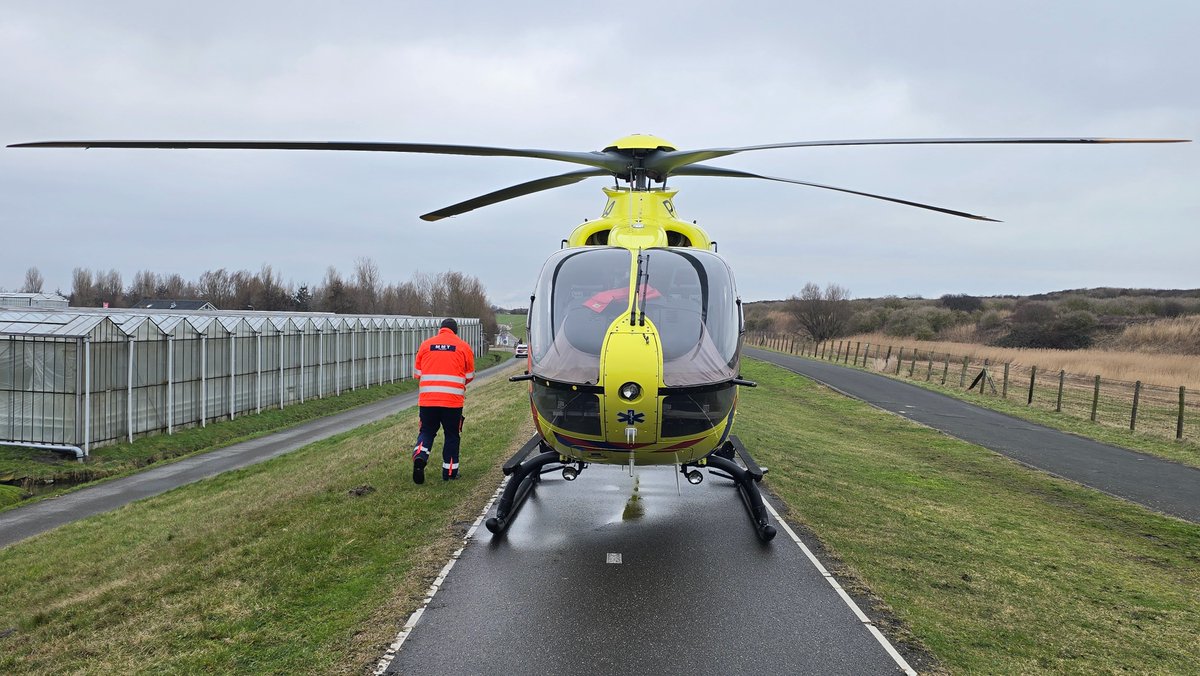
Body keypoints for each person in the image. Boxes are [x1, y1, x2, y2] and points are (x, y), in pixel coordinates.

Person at [411, 318, 475, 483]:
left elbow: (417, 374)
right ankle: (450, 473)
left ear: (441, 329)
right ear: (455, 331)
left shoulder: (425, 345)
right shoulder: (463, 346)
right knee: (452, 435)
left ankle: (420, 454)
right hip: (452, 402)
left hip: (428, 400)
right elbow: (469, 376)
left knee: (426, 431)